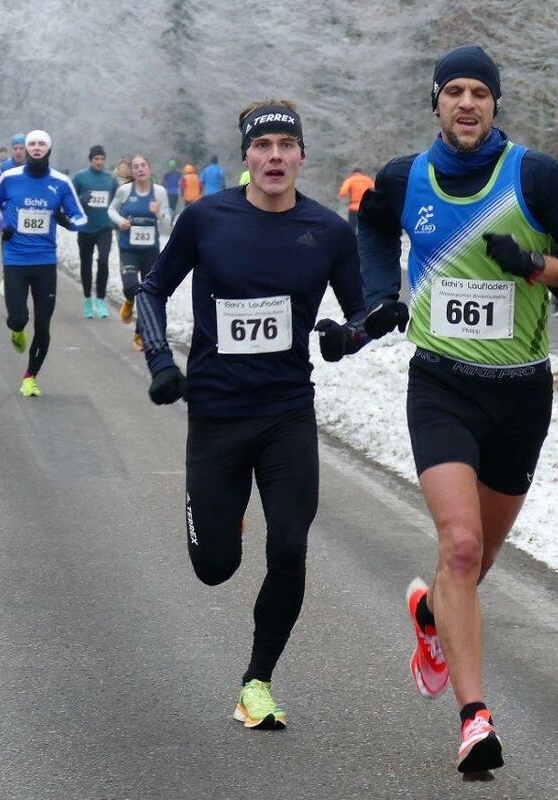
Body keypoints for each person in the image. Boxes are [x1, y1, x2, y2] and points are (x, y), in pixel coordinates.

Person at [358, 45, 558, 777]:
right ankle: (475, 720)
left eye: (480, 93)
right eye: (454, 92)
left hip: (521, 394)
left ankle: (431, 615)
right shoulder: (405, 177)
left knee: (478, 560)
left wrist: (534, 266)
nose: (467, 104)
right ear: (436, 102)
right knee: (460, 548)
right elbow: (371, 225)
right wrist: (380, 296)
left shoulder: (535, 176)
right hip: (440, 385)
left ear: (496, 104)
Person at [135, 99, 401, 733]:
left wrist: (349, 337)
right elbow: (151, 288)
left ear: (302, 156)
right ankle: (224, 515)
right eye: (263, 146)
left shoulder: (327, 231)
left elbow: (360, 314)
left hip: (287, 414)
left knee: (289, 546)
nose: (275, 156)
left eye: (286, 145)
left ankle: (257, 682)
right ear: (247, 156)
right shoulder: (207, 218)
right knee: (215, 567)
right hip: (217, 414)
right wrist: (161, 362)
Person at [0, 130, 87, 398]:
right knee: (18, 319)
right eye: (32, 144)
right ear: (26, 149)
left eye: (42, 144)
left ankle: (30, 377)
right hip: (15, 259)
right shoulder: (10, 177)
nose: (37, 148)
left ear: (48, 149)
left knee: (43, 325)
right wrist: (0, 224)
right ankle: (17, 330)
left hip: (45, 262)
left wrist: (67, 221)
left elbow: (80, 217)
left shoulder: (60, 182)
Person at [109, 154, 170, 349]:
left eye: (143, 165)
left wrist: (158, 212)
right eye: (136, 167)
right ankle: (128, 300)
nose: (140, 169)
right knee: (131, 287)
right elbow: (111, 210)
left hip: (150, 251)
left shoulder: (159, 192)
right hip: (128, 249)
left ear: (149, 168)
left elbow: (168, 223)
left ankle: (140, 334)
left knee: (148, 294)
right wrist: (120, 221)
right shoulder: (124, 191)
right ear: (132, 172)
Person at [72, 145, 117, 319]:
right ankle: (87, 299)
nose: (99, 162)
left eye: (102, 159)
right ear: (91, 160)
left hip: (105, 227)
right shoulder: (81, 177)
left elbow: (117, 201)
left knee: (103, 261)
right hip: (86, 228)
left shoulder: (110, 179)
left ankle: (100, 299)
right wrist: (83, 199)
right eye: (96, 159)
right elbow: (71, 200)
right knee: (86, 263)